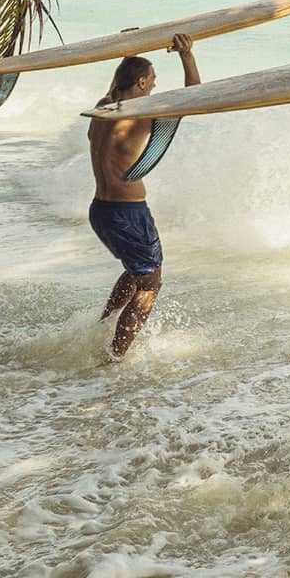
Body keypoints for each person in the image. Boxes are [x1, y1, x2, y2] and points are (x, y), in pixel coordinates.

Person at [86, 32, 200, 359]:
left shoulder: (102, 108)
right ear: (139, 82)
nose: (153, 87)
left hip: (101, 211)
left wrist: (130, 49)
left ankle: (104, 326)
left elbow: (117, 85)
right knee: (151, 284)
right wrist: (187, 54)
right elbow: (197, 94)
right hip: (128, 212)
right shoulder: (145, 110)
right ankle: (116, 357)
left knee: (136, 272)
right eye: (151, 80)